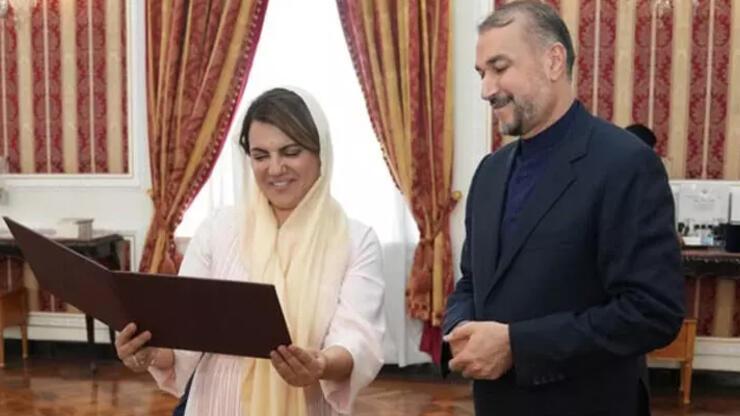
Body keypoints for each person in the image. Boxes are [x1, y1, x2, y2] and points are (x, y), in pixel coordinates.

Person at [442, 2, 685, 415]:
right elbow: (471, 282)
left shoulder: (625, 164)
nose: (486, 89)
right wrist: (461, 326)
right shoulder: (489, 173)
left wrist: (517, 346)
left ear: (553, 61)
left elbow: (652, 311)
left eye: (499, 68)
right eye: (482, 73)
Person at [115, 87, 386, 415]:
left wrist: (321, 364)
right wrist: (147, 353)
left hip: (308, 405)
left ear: (321, 154)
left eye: (290, 152)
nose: (275, 168)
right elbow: (185, 333)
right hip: (216, 404)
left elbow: (358, 338)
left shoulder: (356, 240)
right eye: (260, 156)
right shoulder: (219, 229)